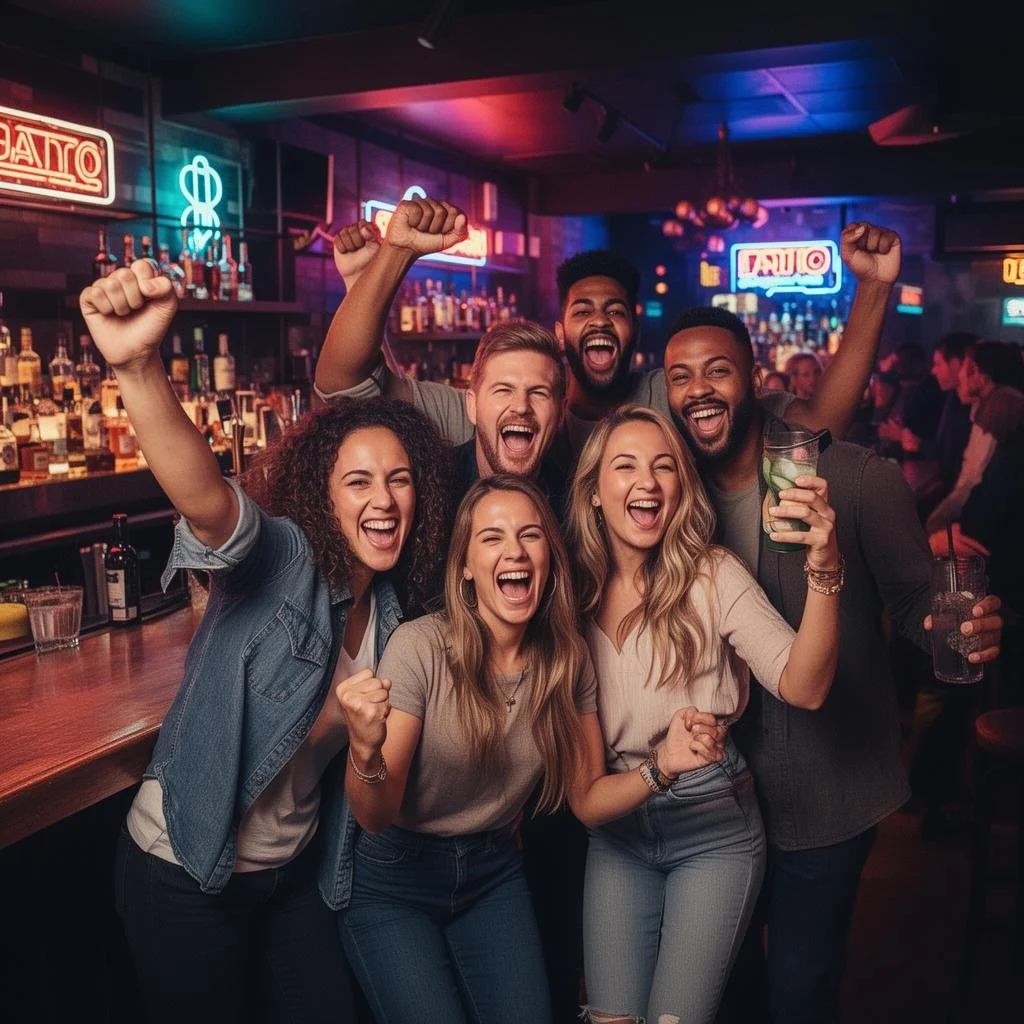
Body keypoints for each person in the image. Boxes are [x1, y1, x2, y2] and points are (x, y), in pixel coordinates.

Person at [80, 261, 452, 1024]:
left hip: (295, 879)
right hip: (188, 869)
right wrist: (137, 367)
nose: (383, 500)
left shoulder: (398, 619)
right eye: (358, 482)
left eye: (401, 480)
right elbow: (209, 505)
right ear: (322, 494)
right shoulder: (284, 559)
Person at [658, 305, 1004, 1023]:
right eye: (680, 376)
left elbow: (915, 602)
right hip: (710, 803)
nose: (698, 389)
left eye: (717, 370)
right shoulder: (662, 493)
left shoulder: (849, 478)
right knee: (721, 992)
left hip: (825, 794)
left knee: (797, 992)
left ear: (755, 378)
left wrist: (956, 625)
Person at [564, 405, 843, 1024]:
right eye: (627, 465)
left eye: (665, 466)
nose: (649, 481)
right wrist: (659, 764)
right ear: (593, 493)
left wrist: (824, 567)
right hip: (618, 827)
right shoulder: (568, 598)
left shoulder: (713, 574)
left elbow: (806, 686)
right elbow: (584, 794)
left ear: (681, 488)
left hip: (713, 827)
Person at [316, 200, 905, 461]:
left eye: (616, 310)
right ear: (561, 331)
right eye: (583, 309)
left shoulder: (669, 398)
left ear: (634, 335)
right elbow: (347, 384)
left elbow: (821, 424)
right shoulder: (498, 407)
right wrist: (386, 264)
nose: (600, 319)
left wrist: (874, 288)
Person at [335, 475, 595, 1024]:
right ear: (465, 569)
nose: (515, 551)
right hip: (394, 880)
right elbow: (375, 816)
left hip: (493, 872)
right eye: (492, 538)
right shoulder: (421, 646)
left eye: (530, 535)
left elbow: (588, 793)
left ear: (549, 558)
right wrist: (364, 749)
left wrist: (663, 768)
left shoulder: (566, 660)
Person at [316, 199, 566, 511]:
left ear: (559, 414)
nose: (520, 406)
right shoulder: (434, 485)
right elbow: (344, 382)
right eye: (503, 389)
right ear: (471, 405)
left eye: (539, 393)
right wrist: (394, 253)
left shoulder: (574, 505)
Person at [925, 339, 1024, 534]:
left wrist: (938, 521)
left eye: (964, 366)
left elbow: (973, 479)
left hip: (996, 530)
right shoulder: (996, 401)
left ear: (977, 371)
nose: (960, 373)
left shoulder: (1001, 405)